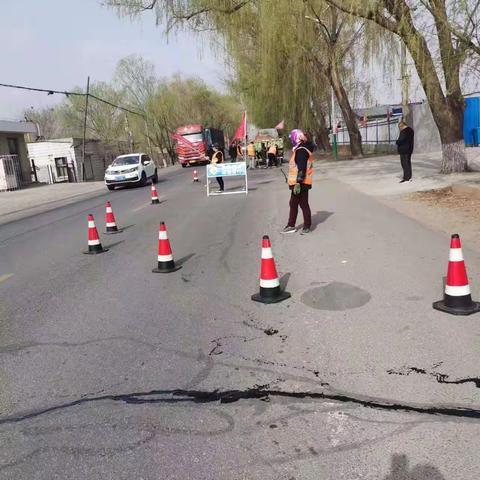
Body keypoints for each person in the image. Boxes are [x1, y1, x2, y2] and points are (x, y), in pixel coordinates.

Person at [282, 129, 314, 235]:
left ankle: (302, 226)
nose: (292, 140)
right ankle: (298, 225)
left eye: (292, 138)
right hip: (302, 182)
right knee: (295, 203)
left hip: (300, 183)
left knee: (301, 204)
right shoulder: (303, 148)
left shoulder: (301, 150)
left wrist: (298, 183)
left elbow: (301, 168)